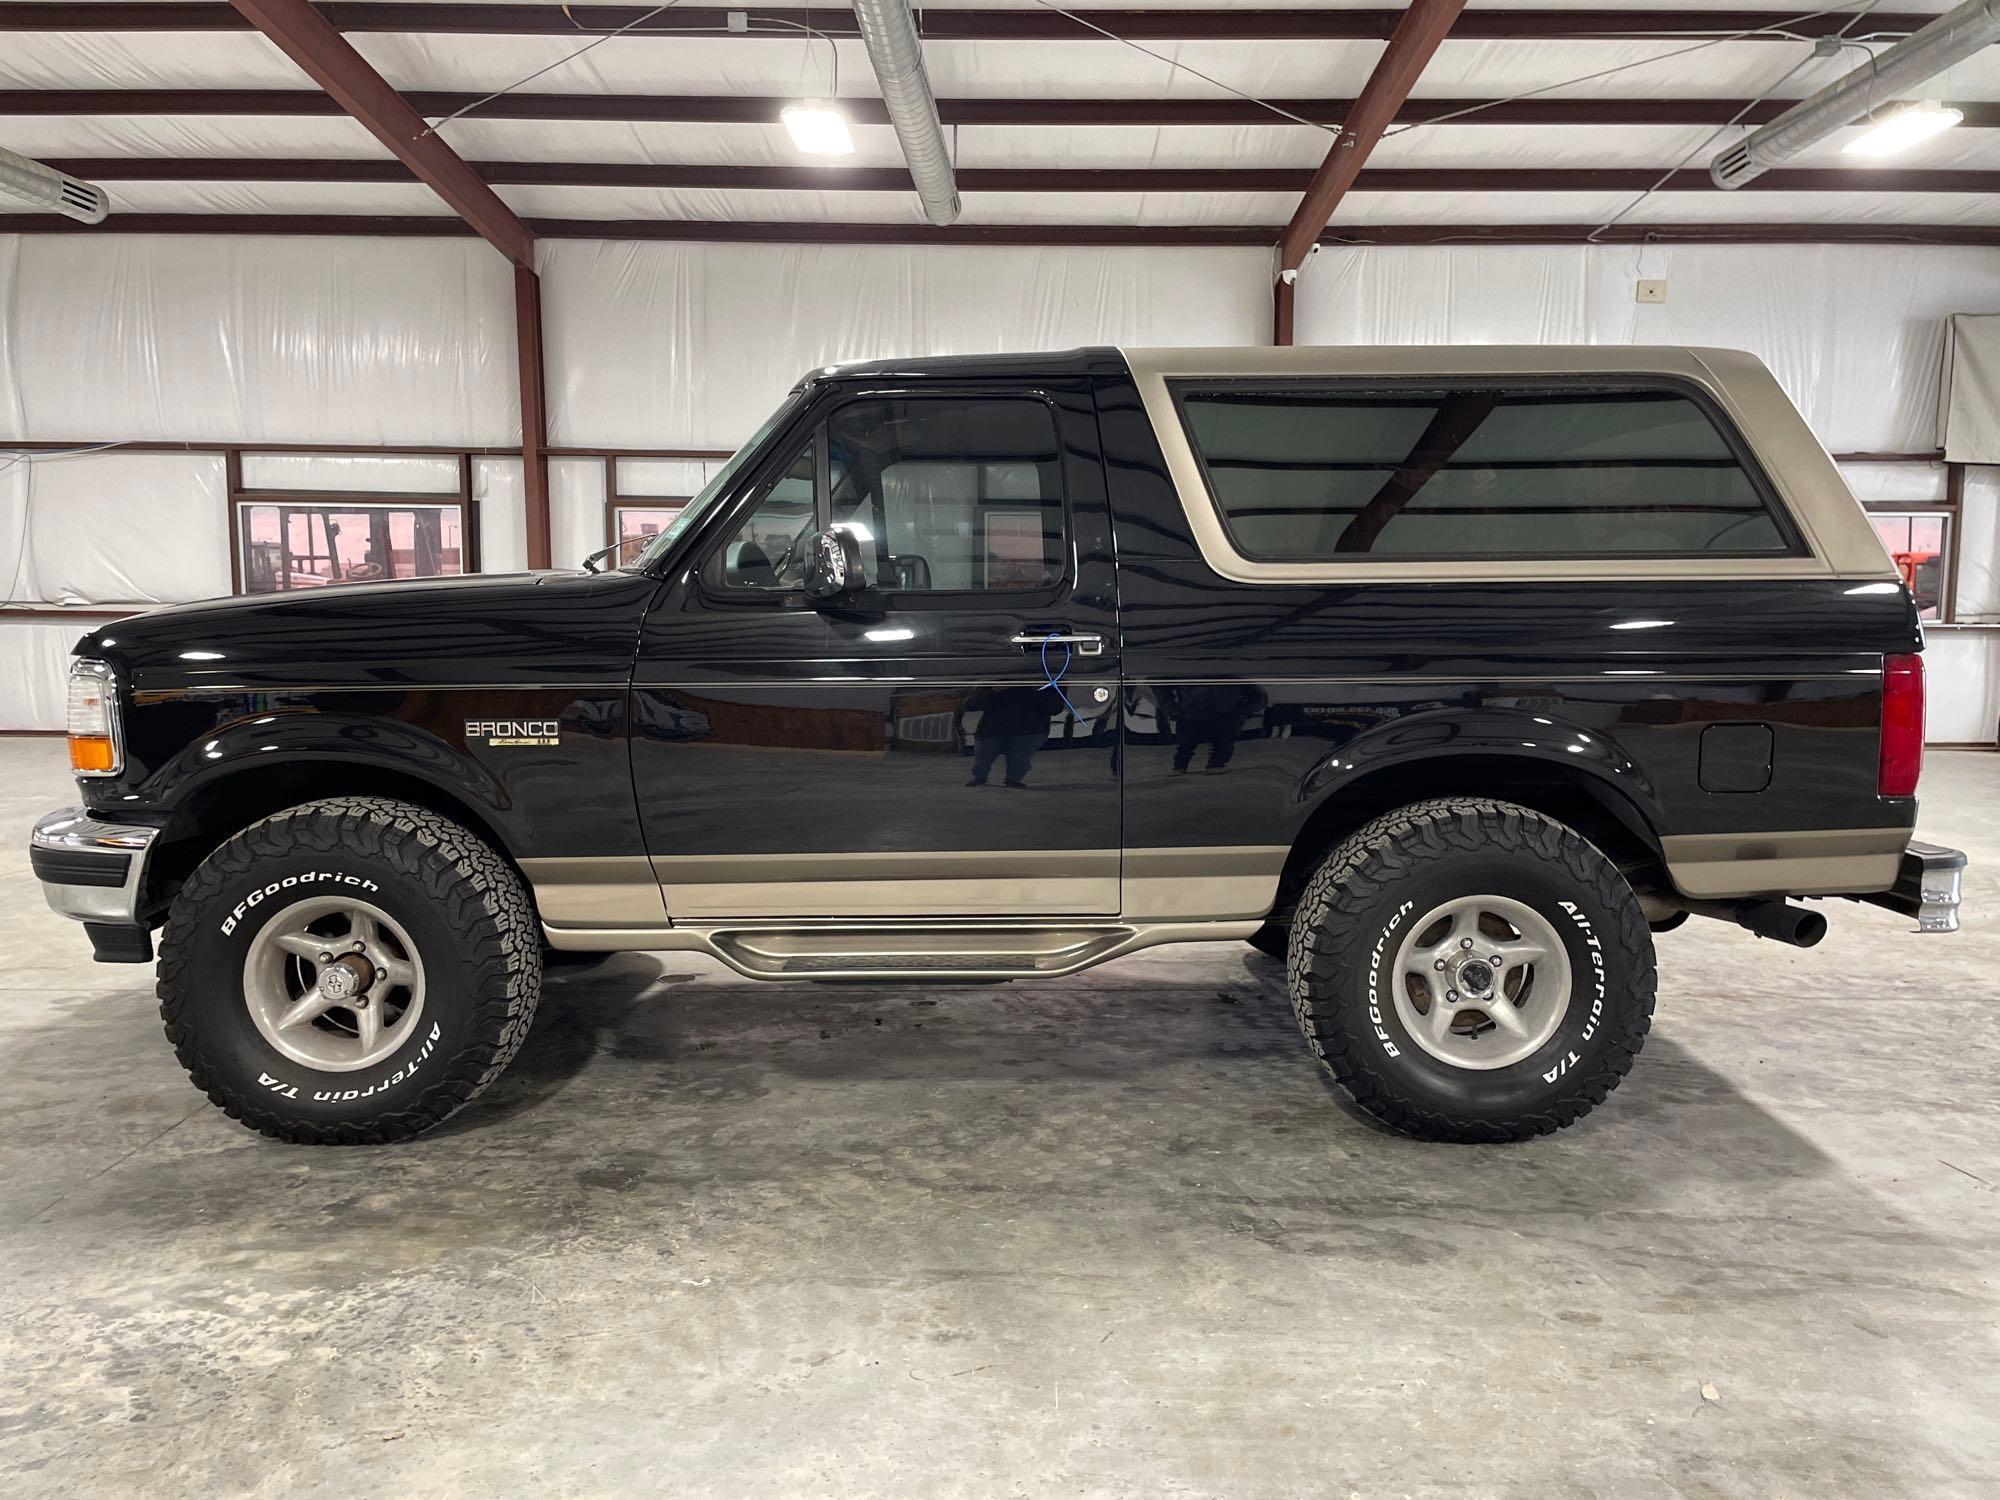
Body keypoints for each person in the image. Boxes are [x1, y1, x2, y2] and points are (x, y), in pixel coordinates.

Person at [961, 685, 1052, 788]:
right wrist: (994, 691)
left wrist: (1038, 691)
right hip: (994, 729)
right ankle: (979, 778)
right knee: (982, 759)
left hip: (1028, 730)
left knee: (1019, 760)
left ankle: (1012, 779)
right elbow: (970, 704)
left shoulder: (1047, 681)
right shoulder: (995, 680)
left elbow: (1054, 707)